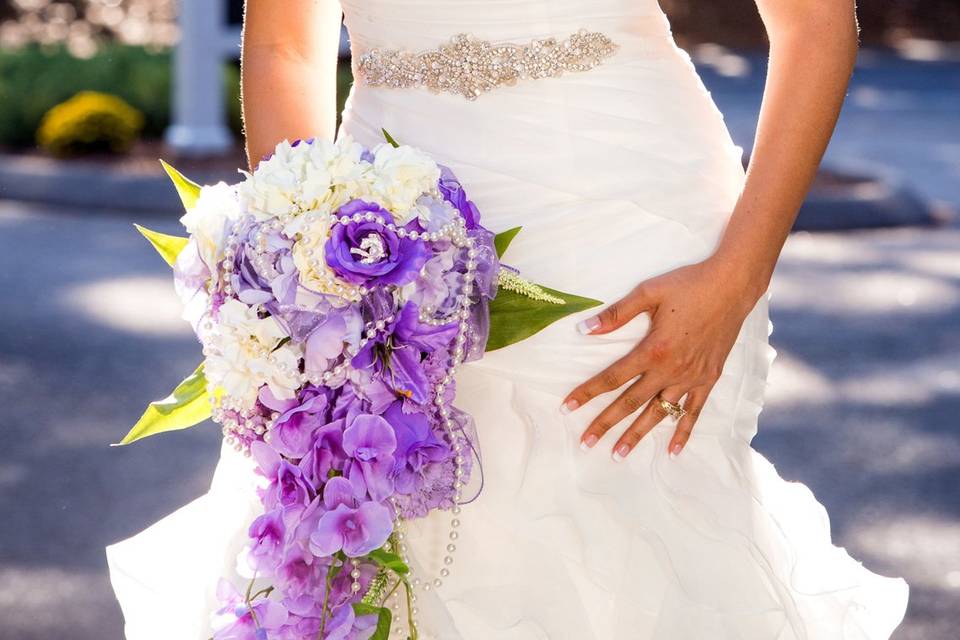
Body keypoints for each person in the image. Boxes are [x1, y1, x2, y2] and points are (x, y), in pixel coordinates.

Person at [108, 0, 910, 637]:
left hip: (625, 232)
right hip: (380, 239)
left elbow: (813, 20)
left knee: (625, 553)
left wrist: (734, 280)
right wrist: (308, 261)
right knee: (389, 554)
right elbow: (286, 41)